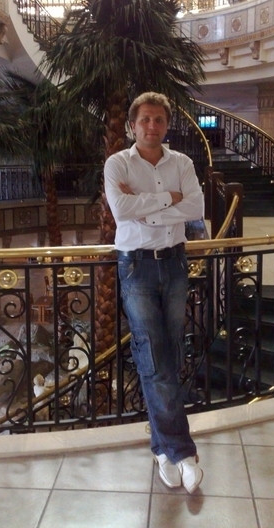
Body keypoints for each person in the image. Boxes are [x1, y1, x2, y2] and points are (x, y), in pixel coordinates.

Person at [104, 92, 204, 494]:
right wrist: (167, 199)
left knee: (169, 353)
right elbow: (120, 210)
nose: (152, 125)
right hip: (136, 266)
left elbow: (195, 207)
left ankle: (161, 448)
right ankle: (181, 451)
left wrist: (146, 210)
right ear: (133, 125)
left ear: (166, 125)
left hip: (175, 263)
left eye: (159, 119)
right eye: (145, 119)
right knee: (154, 355)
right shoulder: (118, 164)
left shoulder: (182, 163)